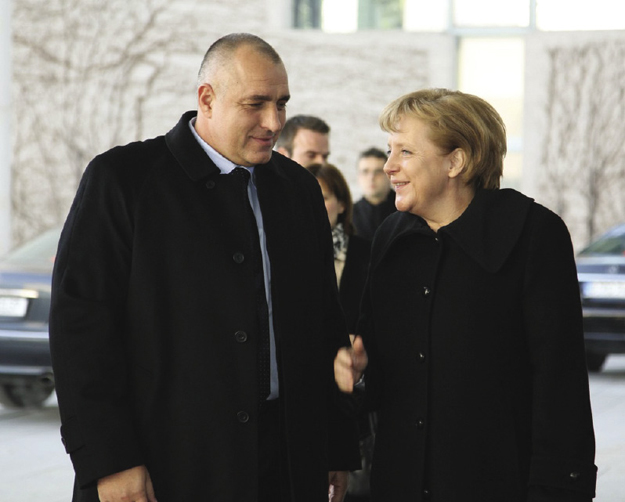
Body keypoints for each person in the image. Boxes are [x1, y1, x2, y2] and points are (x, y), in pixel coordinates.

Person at [49, 33, 359, 502]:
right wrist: (109, 460)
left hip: (287, 461)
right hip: (162, 463)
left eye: (282, 103)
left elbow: (324, 324)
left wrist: (336, 445)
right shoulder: (123, 180)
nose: (274, 122)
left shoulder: (298, 190)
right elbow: (81, 333)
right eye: (256, 104)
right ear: (207, 99)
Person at [334, 88, 598, 501]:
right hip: (399, 484)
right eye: (389, 150)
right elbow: (377, 375)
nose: (388, 167)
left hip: (496, 485)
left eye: (405, 151)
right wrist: (358, 372)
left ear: (456, 161)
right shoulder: (390, 236)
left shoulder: (532, 234)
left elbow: (560, 384)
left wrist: (560, 489)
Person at [308, 163, 373, 502]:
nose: (316, 207)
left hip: (356, 395)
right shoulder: (290, 254)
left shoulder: (368, 252)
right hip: (311, 396)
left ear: (342, 203)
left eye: (324, 197)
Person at [352, 147, 395, 240]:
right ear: (358, 177)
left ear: (390, 175)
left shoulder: (406, 210)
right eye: (365, 171)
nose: (371, 178)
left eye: (378, 171)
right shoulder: (349, 215)